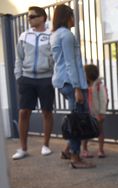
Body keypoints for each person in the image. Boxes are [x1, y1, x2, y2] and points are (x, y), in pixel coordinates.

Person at [50, 4, 95, 169]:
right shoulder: (67, 35)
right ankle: (75, 158)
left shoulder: (54, 35)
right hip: (72, 82)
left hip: (62, 81)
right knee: (78, 120)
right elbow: (70, 63)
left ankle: (67, 150)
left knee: (76, 116)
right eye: (73, 15)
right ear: (67, 17)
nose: (74, 19)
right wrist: (77, 88)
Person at [12, 6, 54, 160]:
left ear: (42, 18)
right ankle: (23, 148)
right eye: (29, 17)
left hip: (46, 78)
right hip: (27, 79)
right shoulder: (24, 36)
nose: (29, 19)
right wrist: (19, 76)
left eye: (32, 17)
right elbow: (19, 58)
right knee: (24, 112)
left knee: (47, 112)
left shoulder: (51, 36)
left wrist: (53, 75)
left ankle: (46, 145)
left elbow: (55, 57)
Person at [81, 64, 108, 158]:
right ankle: (84, 150)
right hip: (87, 113)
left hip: (97, 114)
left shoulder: (98, 86)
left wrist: (102, 113)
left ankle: (101, 150)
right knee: (85, 132)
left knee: (100, 131)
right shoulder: (84, 85)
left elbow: (103, 99)